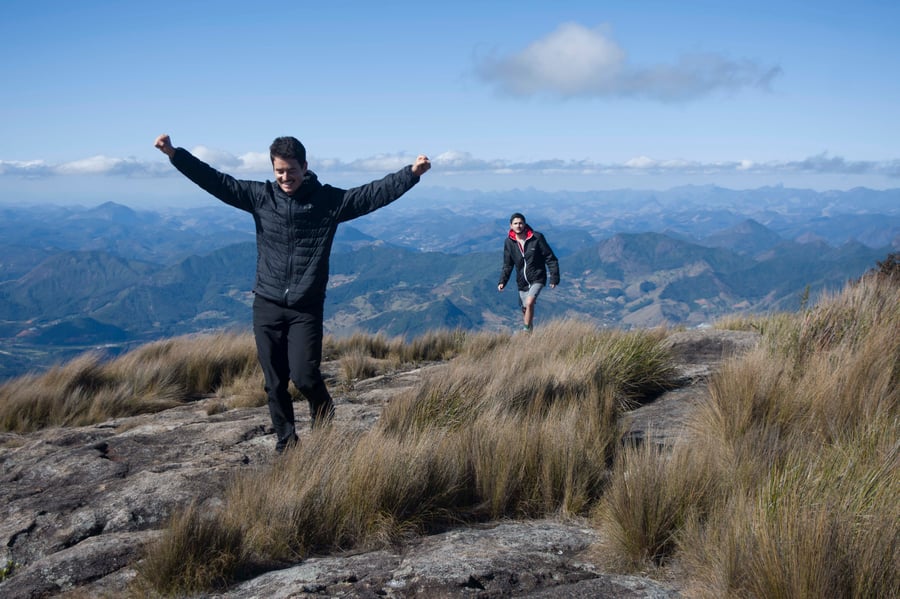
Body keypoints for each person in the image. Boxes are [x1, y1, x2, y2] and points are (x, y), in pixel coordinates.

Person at [154, 134, 431, 453]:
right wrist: (174, 154)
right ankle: (287, 442)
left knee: (305, 377)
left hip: (305, 308)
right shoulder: (260, 197)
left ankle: (324, 426)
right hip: (267, 303)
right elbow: (216, 181)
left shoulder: (328, 201)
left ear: (305, 167)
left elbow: (371, 195)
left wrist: (411, 174)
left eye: (291, 171)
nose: (285, 177)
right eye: (279, 171)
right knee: (274, 383)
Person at [497, 213, 559, 332]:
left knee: (529, 302)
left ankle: (525, 331)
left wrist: (554, 277)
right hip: (522, 281)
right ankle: (529, 334)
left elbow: (550, 258)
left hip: (537, 277)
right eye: (515, 223)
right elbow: (508, 264)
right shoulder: (509, 242)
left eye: (520, 223)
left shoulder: (536, 238)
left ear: (525, 224)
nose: (518, 226)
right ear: (511, 226)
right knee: (525, 309)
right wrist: (502, 281)